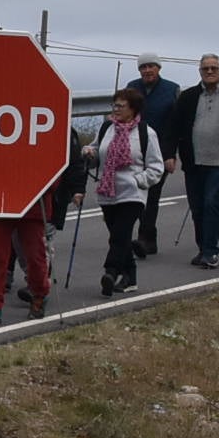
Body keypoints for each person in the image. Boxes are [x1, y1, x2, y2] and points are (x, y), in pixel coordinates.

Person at [156, 54, 219, 270]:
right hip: (193, 163)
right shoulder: (188, 97)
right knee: (197, 207)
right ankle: (203, 248)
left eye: (213, 68)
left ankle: (210, 252)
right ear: (200, 71)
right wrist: (169, 154)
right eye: (205, 68)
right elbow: (173, 127)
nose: (209, 72)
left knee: (211, 204)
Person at [91, 87, 156, 295]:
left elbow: (156, 167)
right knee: (121, 237)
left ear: (133, 109)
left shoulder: (146, 132)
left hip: (132, 194)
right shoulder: (106, 129)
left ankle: (110, 272)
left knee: (119, 235)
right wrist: (89, 153)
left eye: (121, 106)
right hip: (107, 192)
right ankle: (130, 277)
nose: (116, 109)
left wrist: (139, 180)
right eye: (115, 105)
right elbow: (96, 152)